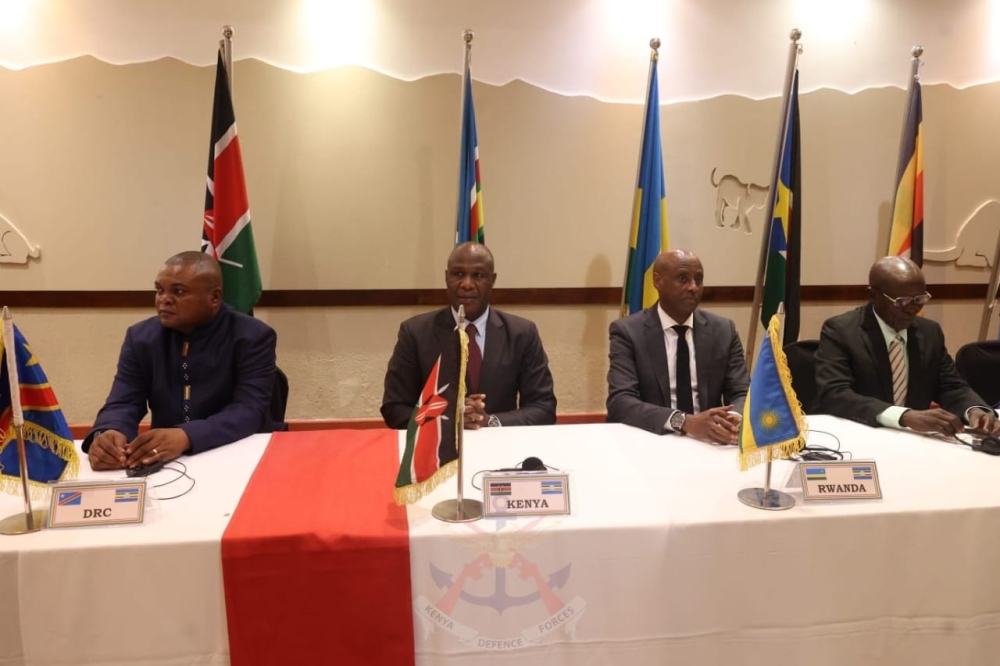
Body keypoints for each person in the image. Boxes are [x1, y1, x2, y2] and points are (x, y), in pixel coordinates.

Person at [83, 251, 278, 470]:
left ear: (214, 298)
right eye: (159, 290)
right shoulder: (140, 338)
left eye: (178, 291)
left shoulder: (252, 336)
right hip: (167, 461)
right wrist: (110, 432)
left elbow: (249, 410)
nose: (164, 299)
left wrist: (187, 435)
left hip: (239, 453)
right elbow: (123, 400)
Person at [815, 256, 998, 435]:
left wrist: (974, 409)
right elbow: (835, 394)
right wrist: (904, 416)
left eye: (919, 299)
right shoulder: (841, 331)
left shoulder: (930, 332)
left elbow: (950, 386)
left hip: (915, 439)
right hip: (861, 433)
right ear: (872, 295)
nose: (912, 308)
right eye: (901, 301)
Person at [381, 242, 556, 429]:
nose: (466, 284)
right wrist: (447, 419)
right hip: (438, 446)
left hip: (502, 443)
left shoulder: (522, 333)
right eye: (458, 274)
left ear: (492, 280)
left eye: (478, 275)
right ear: (446, 278)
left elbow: (544, 408)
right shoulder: (415, 333)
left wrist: (489, 421)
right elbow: (394, 409)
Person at [607, 249, 750, 443]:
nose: (693, 287)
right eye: (683, 279)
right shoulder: (628, 332)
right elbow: (621, 402)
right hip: (652, 440)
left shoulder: (723, 330)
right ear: (658, 281)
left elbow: (742, 392)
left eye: (698, 279)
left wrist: (733, 419)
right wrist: (683, 421)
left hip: (711, 442)